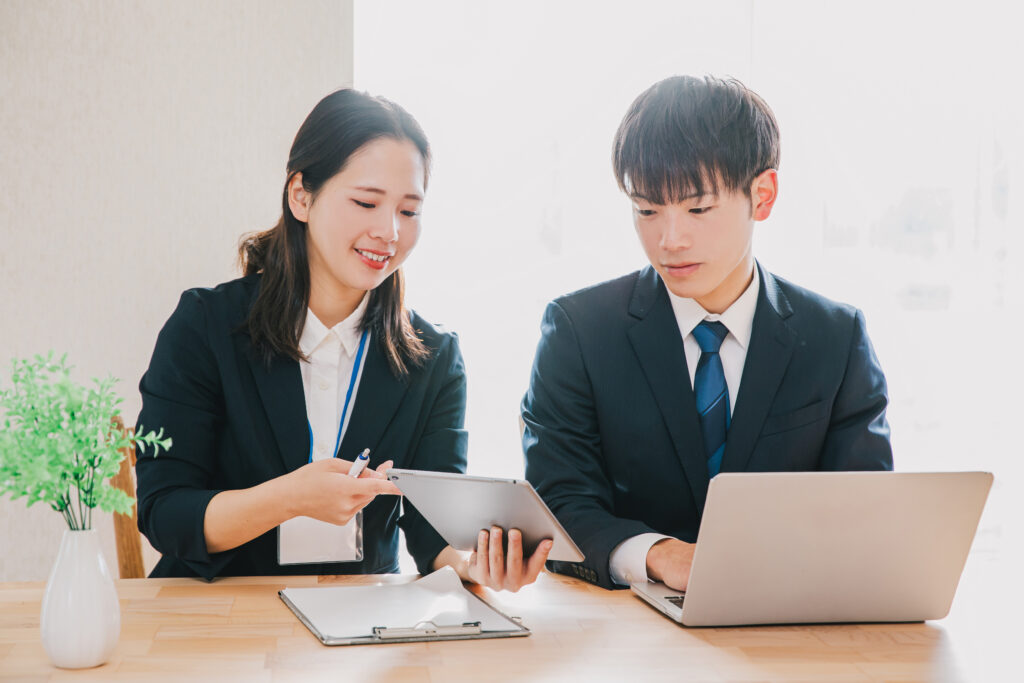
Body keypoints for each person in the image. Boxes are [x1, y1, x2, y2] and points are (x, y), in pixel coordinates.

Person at [136, 89, 551, 589]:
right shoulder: (205, 326)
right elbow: (165, 512)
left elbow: (431, 532)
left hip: (360, 626)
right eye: (366, 202)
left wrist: (475, 564)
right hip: (219, 615)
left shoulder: (434, 358)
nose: (389, 231)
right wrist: (290, 497)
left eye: (409, 211)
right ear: (301, 196)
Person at [521, 75, 893, 591]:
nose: (669, 240)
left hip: (786, 628)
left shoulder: (836, 337)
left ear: (762, 196)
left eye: (698, 209)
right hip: (623, 635)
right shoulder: (580, 330)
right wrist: (659, 555)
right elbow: (559, 505)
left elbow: (868, 513)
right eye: (647, 210)